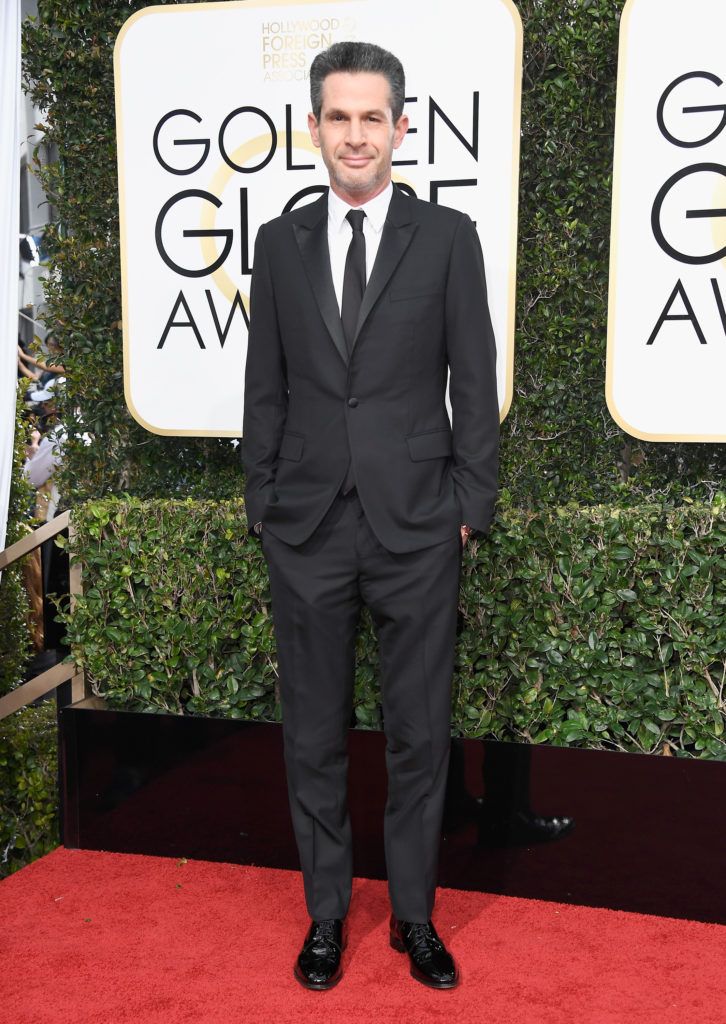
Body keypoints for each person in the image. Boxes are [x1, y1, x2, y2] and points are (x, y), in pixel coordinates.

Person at [242, 41, 499, 991]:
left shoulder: (447, 239)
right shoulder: (279, 244)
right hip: (306, 527)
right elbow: (262, 389)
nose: (355, 134)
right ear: (314, 128)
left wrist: (470, 505)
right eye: (337, 117)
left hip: (419, 524)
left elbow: (473, 381)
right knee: (311, 733)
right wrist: (261, 502)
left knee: (419, 734)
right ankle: (325, 915)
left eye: (371, 116)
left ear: (402, 126)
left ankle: (417, 916)